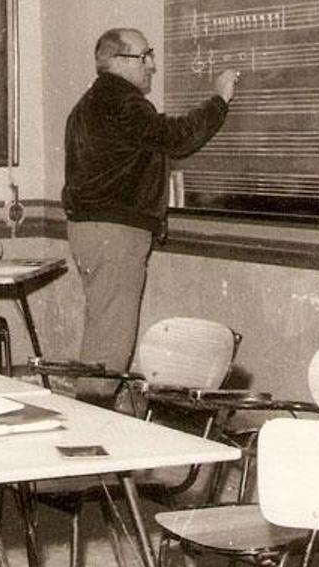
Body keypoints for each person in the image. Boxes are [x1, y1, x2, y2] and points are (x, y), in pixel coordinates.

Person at [62, 28, 239, 402]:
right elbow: (175, 137)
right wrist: (220, 99)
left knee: (104, 332)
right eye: (145, 56)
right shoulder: (119, 101)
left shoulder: (92, 102)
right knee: (110, 343)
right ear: (117, 62)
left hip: (96, 229)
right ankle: (95, 435)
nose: (153, 65)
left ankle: (98, 420)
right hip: (115, 234)